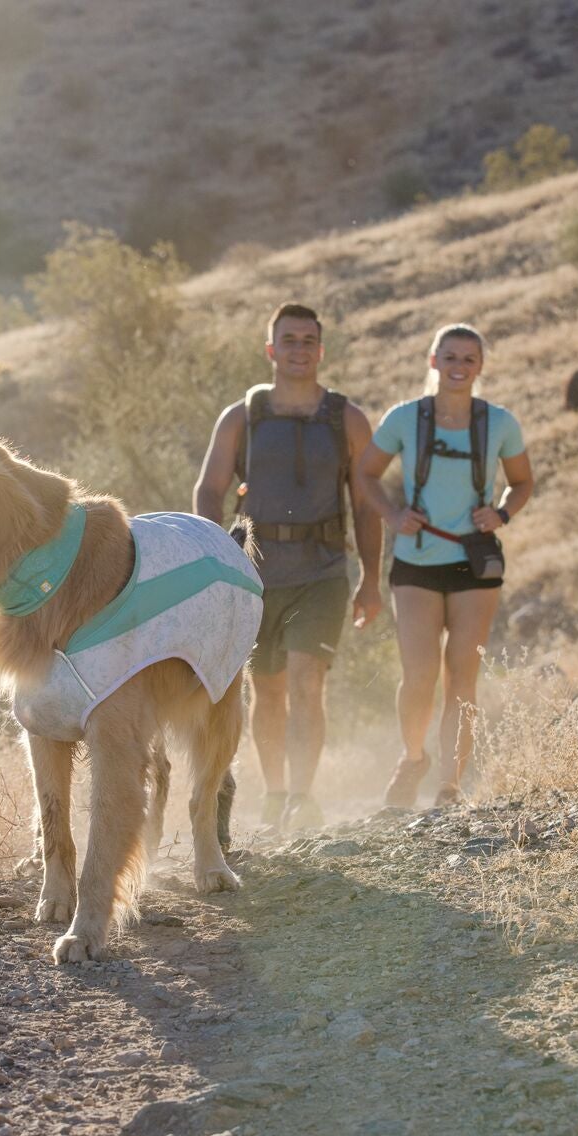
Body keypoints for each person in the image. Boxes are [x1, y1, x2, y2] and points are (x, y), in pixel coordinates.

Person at [193, 302, 384, 831]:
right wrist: (216, 560)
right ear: (271, 349)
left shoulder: (347, 418)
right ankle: (275, 793)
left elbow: (367, 504)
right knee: (268, 689)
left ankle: (303, 795)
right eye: (289, 340)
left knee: (306, 683)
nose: (299, 349)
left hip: (323, 571)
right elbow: (209, 489)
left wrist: (371, 577)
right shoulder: (243, 417)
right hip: (253, 574)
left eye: (308, 340)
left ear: (320, 351)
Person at [356, 323, 535, 807]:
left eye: (468, 360)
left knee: (462, 675)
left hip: (474, 566)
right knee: (419, 675)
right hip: (415, 564)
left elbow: (522, 483)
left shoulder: (499, 423)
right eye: (449, 357)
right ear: (433, 361)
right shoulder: (404, 419)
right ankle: (413, 758)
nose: (458, 367)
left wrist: (500, 513)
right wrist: (394, 514)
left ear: (480, 367)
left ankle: (449, 785)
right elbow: (365, 474)